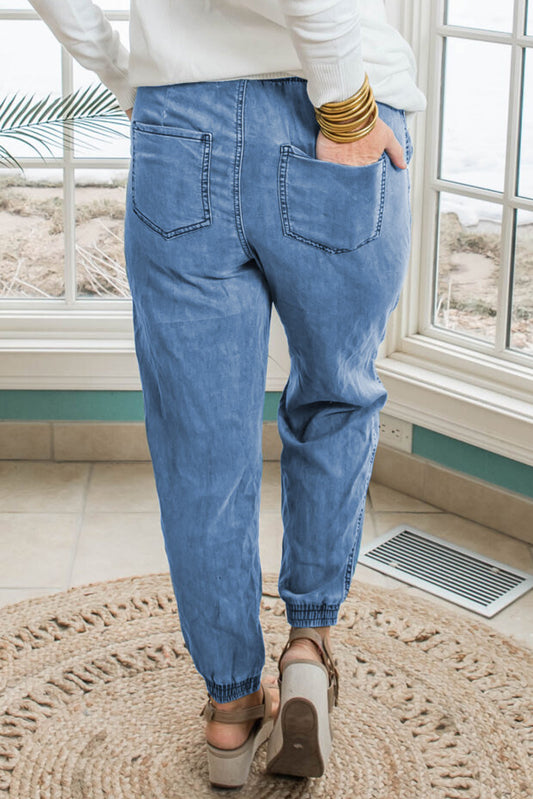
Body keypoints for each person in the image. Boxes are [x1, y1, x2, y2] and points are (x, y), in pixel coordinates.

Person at [29, 0, 426, 789]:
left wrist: (125, 73)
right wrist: (345, 108)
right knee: (334, 397)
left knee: (199, 441)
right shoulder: (340, 103)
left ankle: (231, 704)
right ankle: (308, 646)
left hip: (179, 118)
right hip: (330, 106)